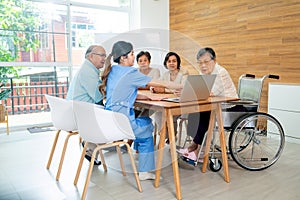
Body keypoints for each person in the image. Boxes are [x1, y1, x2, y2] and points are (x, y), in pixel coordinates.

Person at [99, 41, 181, 181]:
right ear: (124, 57)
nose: (134, 56)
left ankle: (140, 155)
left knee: (144, 120)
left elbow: (121, 91)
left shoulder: (113, 70)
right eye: (132, 54)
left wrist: (141, 96)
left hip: (110, 119)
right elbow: (161, 83)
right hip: (122, 122)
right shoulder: (130, 72)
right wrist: (181, 86)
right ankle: (145, 171)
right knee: (147, 130)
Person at [178, 47, 238, 162]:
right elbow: (201, 89)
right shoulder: (203, 72)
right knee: (195, 112)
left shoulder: (220, 72)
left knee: (204, 114)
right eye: (200, 63)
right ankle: (194, 146)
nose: (203, 65)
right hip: (214, 104)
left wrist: (191, 92)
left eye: (206, 62)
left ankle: (199, 151)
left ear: (214, 61)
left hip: (229, 106)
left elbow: (209, 92)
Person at [67, 45, 106, 165]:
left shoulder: (88, 69)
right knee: (115, 117)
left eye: (105, 55)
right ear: (91, 56)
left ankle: (90, 146)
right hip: (82, 113)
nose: (104, 58)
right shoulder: (88, 71)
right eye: (102, 55)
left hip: (79, 110)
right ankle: (90, 145)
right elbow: (98, 96)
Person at [152, 52, 189, 143]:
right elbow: (155, 84)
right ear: (166, 63)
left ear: (178, 63)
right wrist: (155, 88)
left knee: (169, 114)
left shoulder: (184, 73)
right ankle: (168, 135)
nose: (171, 63)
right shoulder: (166, 74)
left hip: (182, 104)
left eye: (174, 61)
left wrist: (165, 90)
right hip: (169, 102)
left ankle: (170, 136)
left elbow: (182, 89)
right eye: (169, 61)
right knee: (158, 113)